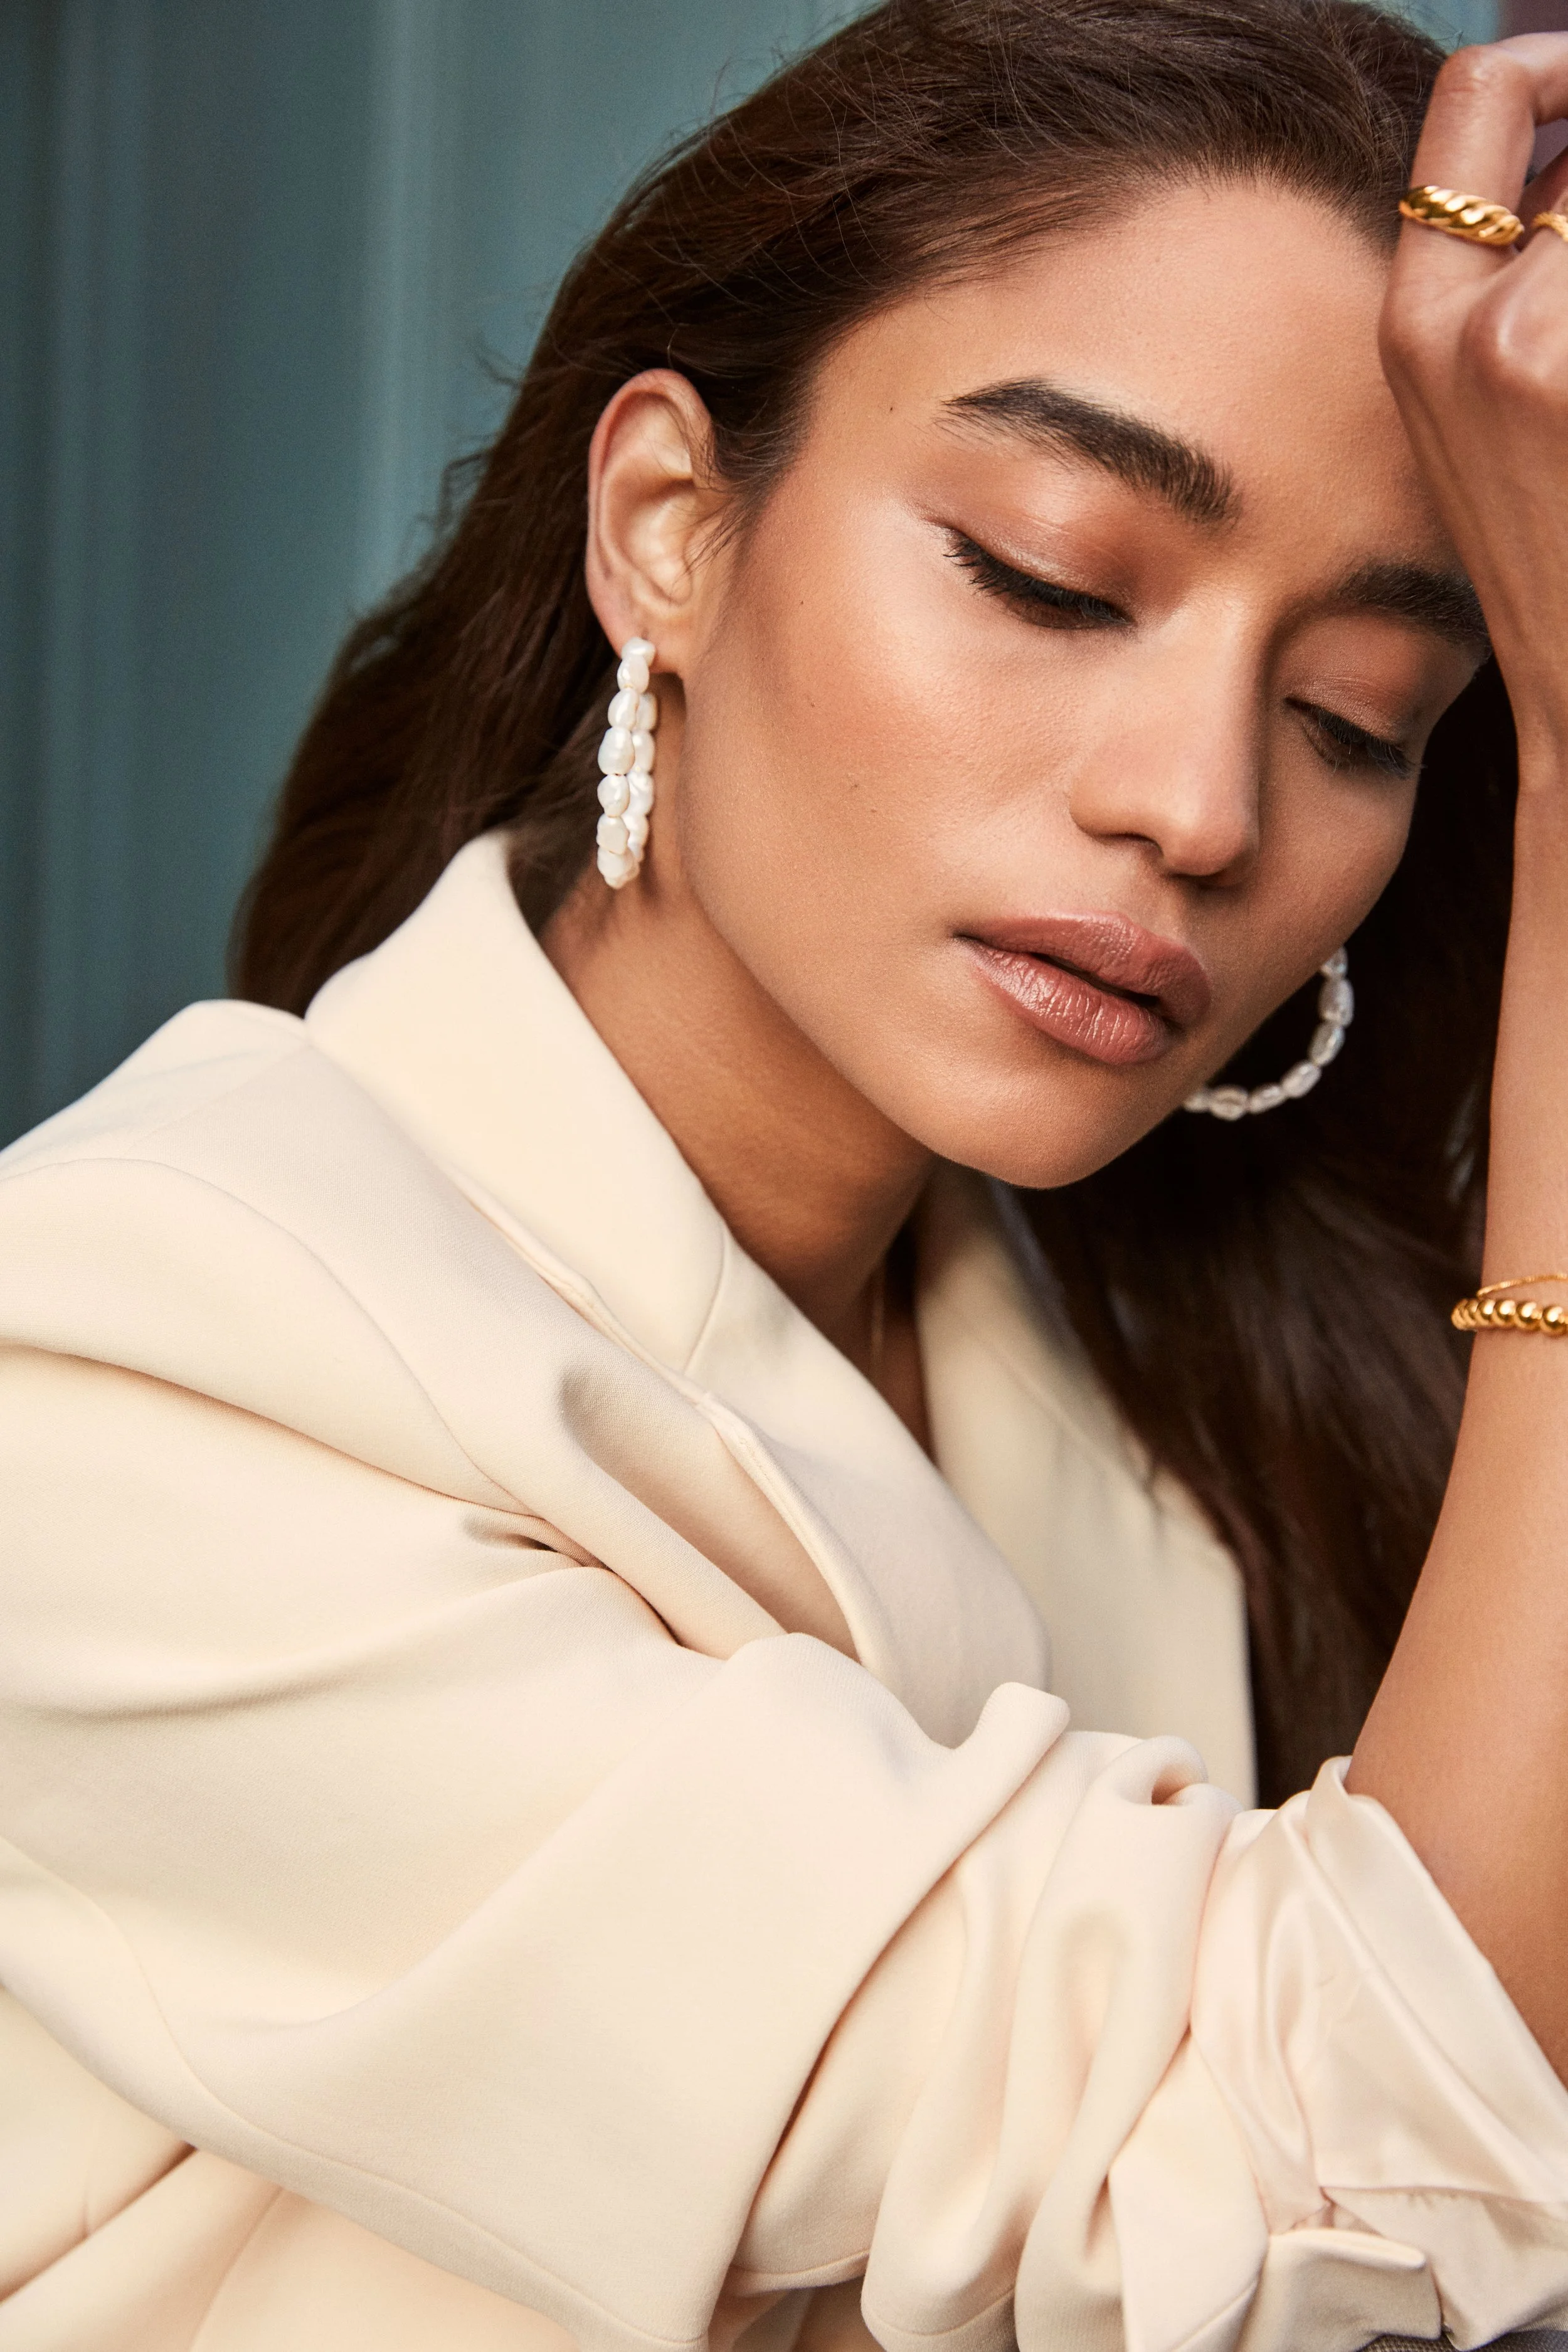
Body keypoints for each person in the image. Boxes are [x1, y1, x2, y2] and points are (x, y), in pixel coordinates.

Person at [4, 0, 1568, 2343]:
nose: (1203, 805)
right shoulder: (129, 1369)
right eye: (1052, 574)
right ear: (669, 528)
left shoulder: (1152, 1386)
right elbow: (1311, 2182)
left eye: (1359, 714)